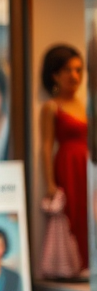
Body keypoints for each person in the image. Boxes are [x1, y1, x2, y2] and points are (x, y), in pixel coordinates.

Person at [39, 45, 87, 271]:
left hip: (88, 166)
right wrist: (49, 183)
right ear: (55, 74)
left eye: (78, 70)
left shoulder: (86, 104)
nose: (74, 76)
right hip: (68, 166)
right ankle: (73, 266)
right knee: (72, 216)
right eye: (68, 70)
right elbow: (46, 145)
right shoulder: (51, 107)